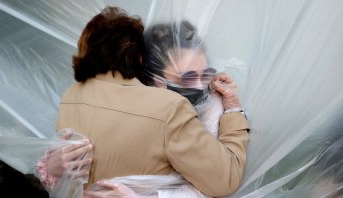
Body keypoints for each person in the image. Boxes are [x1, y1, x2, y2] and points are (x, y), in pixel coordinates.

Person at [42, 6, 249, 198]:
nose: (200, 84)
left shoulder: (71, 97)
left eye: (205, 74)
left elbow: (68, 175)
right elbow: (225, 180)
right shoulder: (169, 107)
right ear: (142, 60)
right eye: (186, 76)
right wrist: (233, 114)